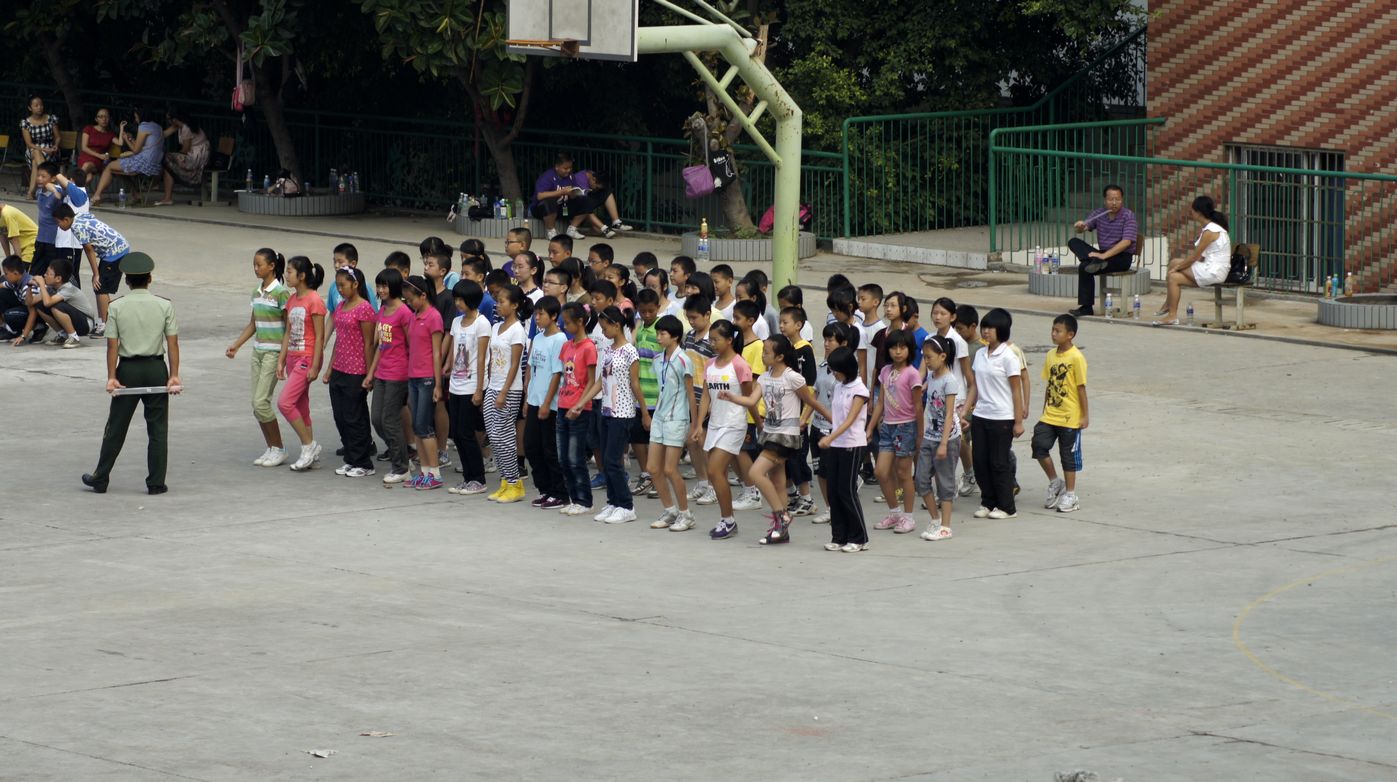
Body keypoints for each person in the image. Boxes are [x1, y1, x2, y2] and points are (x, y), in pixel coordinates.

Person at [81, 252, 180, 495]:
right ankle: (156, 483)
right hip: (156, 369)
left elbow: (112, 346)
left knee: (116, 426)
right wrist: (174, 375)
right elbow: (172, 344)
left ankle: (101, 478)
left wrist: (111, 377)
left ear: (126, 280)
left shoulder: (116, 307)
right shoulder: (164, 305)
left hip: (128, 370)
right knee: (158, 429)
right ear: (150, 279)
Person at [727, 335, 833, 546]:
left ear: (780, 356)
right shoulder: (764, 378)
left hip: (785, 436)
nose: (763, 355)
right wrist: (732, 397)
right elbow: (751, 400)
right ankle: (781, 530)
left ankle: (781, 516)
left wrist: (834, 422)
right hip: (769, 433)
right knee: (777, 481)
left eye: (767, 352)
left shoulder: (793, 377)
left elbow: (810, 401)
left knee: (755, 473)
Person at [577, 306, 646, 523]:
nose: (603, 332)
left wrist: (644, 412)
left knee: (613, 461)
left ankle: (626, 505)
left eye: (605, 328)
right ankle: (613, 502)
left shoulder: (630, 351)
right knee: (607, 461)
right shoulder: (607, 350)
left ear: (617, 325)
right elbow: (601, 381)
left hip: (622, 412)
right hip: (606, 410)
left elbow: (635, 384)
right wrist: (582, 402)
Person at [224, 248, 289, 466]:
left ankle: (279, 448)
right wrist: (236, 345)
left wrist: (282, 358)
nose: (255, 268)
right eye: (254, 264)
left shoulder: (281, 293)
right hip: (258, 351)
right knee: (256, 404)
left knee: (261, 402)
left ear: (272, 266)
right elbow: (253, 324)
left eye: (259, 265)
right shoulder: (256, 292)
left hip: (273, 352)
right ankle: (271, 447)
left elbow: (289, 328)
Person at [960, 307, 1023, 520]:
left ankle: (1007, 507)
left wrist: (1018, 421)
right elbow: (974, 386)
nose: (986, 331)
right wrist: (965, 410)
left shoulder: (1009, 357)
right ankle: (988, 502)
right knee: (980, 460)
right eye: (984, 327)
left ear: (1001, 330)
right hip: (981, 415)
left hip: (1002, 417)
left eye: (991, 328)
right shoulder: (980, 354)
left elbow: (1016, 391)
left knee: (999, 462)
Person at [696, 320, 753, 540]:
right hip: (715, 424)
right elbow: (706, 396)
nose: (712, 344)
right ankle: (727, 518)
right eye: (710, 340)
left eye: (716, 340)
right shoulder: (710, 364)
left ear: (729, 340)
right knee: (717, 473)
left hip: (734, 424)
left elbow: (749, 398)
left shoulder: (740, 365)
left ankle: (729, 520)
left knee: (714, 470)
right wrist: (699, 425)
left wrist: (755, 424)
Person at [867, 329, 923, 534]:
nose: (898, 351)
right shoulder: (885, 371)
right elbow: (881, 402)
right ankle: (894, 513)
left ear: (910, 350)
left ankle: (908, 517)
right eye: (893, 347)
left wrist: (920, 434)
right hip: (888, 426)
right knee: (881, 471)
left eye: (902, 347)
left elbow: (918, 406)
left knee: (903, 473)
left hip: (906, 426)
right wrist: (870, 427)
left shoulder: (912, 374)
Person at [323, 266, 377, 478]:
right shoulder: (341, 306)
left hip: (356, 371)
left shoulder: (364, 309)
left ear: (355, 284)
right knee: (340, 416)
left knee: (355, 417)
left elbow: (369, 343)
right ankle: (351, 458)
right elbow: (340, 339)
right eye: (337, 285)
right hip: (339, 368)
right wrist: (330, 368)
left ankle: (363, 462)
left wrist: (369, 373)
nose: (340, 289)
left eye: (343, 285)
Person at [646, 314, 698, 531]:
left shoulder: (684, 360)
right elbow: (662, 389)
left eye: (662, 334)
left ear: (675, 337)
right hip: (659, 417)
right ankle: (670, 510)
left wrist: (695, 425)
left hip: (677, 418)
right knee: (652, 468)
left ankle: (686, 514)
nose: (658, 337)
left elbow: (690, 394)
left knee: (670, 469)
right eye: (657, 333)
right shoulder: (658, 360)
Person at [275, 257, 328, 472]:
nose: (286, 275)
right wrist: (281, 360)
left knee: (285, 403)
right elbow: (288, 332)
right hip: (292, 357)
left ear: (302, 275)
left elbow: (320, 335)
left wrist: (315, 365)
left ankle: (308, 446)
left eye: (290, 272)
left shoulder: (314, 300)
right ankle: (310, 453)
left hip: (307, 358)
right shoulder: (292, 300)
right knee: (301, 404)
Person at [817, 347, 871, 552]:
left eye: (836, 370)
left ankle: (859, 537)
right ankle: (839, 536)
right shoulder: (839, 386)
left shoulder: (860, 390)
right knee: (833, 491)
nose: (834, 374)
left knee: (847, 491)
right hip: (836, 444)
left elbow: (850, 420)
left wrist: (830, 437)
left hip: (852, 443)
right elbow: (837, 417)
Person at [1034, 314, 1088, 513]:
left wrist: (1084, 415)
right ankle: (1055, 482)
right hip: (1050, 414)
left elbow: (1081, 388)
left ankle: (1071, 495)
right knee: (1039, 445)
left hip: (1069, 416)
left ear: (1070, 335)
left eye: (1058, 331)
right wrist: (1044, 409)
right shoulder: (1050, 355)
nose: (1053, 334)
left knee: (1068, 456)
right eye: (1053, 330)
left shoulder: (1076, 357)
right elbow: (1049, 385)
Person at [443, 279, 492, 495]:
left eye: (461, 300)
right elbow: (454, 350)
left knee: (466, 433)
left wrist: (479, 389)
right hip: (456, 384)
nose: (457, 303)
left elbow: (482, 358)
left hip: (472, 385)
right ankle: (467, 477)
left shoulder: (482, 324)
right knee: (457, 433)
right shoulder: (456, 322)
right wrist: (447, 366)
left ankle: (478, 478)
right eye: (456, 299)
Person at [366, 269, 414, 484]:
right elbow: (381, 346)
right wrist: (371, 373)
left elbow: (411, 344)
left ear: (394, 287)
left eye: (385, 286)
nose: (381, 290)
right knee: (377, 419)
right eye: (379, 286)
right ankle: (402, 454)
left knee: (390, 420)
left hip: (398, 373)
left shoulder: (404, 313)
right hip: (382, 372)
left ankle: (401, 467)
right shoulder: (383, 310)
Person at [484, 285, 531, 503]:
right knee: (493, 436)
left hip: (509, 390)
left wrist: (503, 391)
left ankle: (515, 483)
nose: (497, 305)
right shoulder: (496, 327)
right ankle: (505, 481)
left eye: (502, 301)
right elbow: (492, 359)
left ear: (514, 305)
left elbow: (515, 365)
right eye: (497, 301)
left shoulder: (517, 331)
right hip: (492, 386)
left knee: (504, 437)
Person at [1155, 196, 1233, 326]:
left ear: (1199, 212)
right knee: (1174, 274)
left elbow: (1194, 257)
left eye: (1192, 210)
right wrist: (1178, 268)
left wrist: (1178, 268)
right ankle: (1171, 312)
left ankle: (1169, 307)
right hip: (1212, 269)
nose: (1191, 212)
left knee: (1174, 267)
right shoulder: (1211, 228)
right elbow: (1200, 257)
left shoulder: (1210, 231)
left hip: (1214, 272)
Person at [53, 202, 128, 336]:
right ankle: (105, 321)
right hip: (115, 248)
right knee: (99, 288)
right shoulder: (78, 217)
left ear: (66, 219)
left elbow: (89, 250)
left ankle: (106, 325)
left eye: (58, 222)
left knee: (100, 287)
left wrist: (96, 274)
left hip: (115, 251)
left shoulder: (77, 227)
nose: (58, 226)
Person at [809, 322, 857, 525]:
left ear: (843, 343)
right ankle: (830, 508)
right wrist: (804, 419)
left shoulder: (848, 371)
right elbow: (815, 394)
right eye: (825, 339)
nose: (826, 344)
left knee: (833, 472)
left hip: (834, 428)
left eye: (831, 340)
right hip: (817, 425)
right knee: (820, 471)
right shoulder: (823, 366)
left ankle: (840, 509)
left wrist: (833, 422)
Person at [523, 296, 568, 508]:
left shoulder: (559, 340)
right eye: (535, 314)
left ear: (554, 316)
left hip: (550, 404)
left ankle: (559, 492)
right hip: (534, 400)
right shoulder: (538, 338)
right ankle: (545, 489)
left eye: (541, 314)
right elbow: (531, 368)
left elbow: (557, 374)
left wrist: (547, 403)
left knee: (549, 449)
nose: (537, 318)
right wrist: (528, 398)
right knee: (531, 446)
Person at [401, 275, 445, 489]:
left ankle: (435, 474)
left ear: (423, 296)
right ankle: (424, 471)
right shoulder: (414, 316)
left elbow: (436, 353)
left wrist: (438, 384)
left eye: (411, 299)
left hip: (427, 378)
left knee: (424, 425)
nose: (409, 303)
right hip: (413, 377)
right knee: (417, 426)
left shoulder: (434, 317)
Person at [1067, 185, 1138, 317]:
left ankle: (1086, 307)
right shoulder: (1099, 213)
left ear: (1122, 200)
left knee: (1084, 266)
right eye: (1111, 199)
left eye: (1118, 199)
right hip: (1102, 257)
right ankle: (1087, 308)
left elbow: (1126, 242)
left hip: (1121, 257)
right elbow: (1083, 228)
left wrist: (1103, 255)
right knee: (1073, 242)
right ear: (1105, 200)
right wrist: (1079, 227)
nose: (1114, 203)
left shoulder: (1128, 216)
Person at [916, 336, 962, 541]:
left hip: (947, 438)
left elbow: (950, 414)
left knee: (945, 483)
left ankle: (946, 526)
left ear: (942, 356)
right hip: (930, 435)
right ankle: (935, 519)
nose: (926, 361)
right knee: (921, 479)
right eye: (924, 357)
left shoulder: (949, 381)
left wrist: (943, 443)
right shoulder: (932, 376)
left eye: (929, 357)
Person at [557, 302, 598, 515]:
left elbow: (591, 380)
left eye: (568, 323)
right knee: (563, 458)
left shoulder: (589, 347)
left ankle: (584, 500)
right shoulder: (567, 346)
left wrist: (580, 404)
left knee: (575, 457)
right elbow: (564, 376)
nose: (565, 326)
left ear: (580, 321)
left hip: (579, 409)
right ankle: (573, 498)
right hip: (563, 405)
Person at [681, 295, 718, 505]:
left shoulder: (713, 340)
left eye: (695, 317)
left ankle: (713, 485)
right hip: (690, 397)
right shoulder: (689, 337)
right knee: (691, 441)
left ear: (707, 315)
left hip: (708, 398)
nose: (692, 321)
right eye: (689, 318)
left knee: (703, 441)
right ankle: (702, 482)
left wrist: (711, 400)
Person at [13, 258, 95, 347]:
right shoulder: (51, 288)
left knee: (56, 306)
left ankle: (74, 337)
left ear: (58, 278)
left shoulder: (68, 288)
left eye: (48, 273)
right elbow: (30, 303)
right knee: (39, 305)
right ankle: (62, 335)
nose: (44, 275)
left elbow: (48, 303)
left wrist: (41, 284)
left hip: (86, 324)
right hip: (76, 321)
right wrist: (29, 286)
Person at [92, 109, 164, 205]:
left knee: (109, 166)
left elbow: (136, 150)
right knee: (119, 170)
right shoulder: (157, 127)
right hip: (155, 164)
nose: (136, 119)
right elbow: (142, 147)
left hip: (143, 163)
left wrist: (126, 138)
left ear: (140, 116)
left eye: (136, 116)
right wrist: (131, 139)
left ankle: (97, 195)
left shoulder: (144, 126)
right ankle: (136, 195)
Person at [34, 164, 91, 277]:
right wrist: (48, 182)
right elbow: (50, 186)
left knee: (70, 277)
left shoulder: (79, 194)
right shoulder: (68, 192)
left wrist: (56, 175)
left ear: (71, 180)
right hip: (61, 243)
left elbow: (61, 185)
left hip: (72, 244)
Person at [155, 109, 209, 205]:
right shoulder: (179, 125)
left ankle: (166, 196)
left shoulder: (186, 128)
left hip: (197, 157)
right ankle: (167, 198)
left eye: (169, 119)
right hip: (194, 154)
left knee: (167, 159)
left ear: (175, 119)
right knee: (168, 165)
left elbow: (185, 149)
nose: (168, 122)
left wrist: (175, 158)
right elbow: (164, 134)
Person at [530, 153, 589, 240]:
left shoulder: (571, 176)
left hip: (562, 207)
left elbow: (573, 196)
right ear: (557, 167)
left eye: (570, 168)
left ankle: (572, 229)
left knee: (585, 201)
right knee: (550, 201)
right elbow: (540, 196)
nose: (568, 170)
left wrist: (574, 193)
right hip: (541, 209)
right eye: (565, 168)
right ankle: (551, 231)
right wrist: (561, 192)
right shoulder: (548, 176)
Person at [20, 96, 59, 200]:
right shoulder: (26, 122)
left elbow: (58, 137)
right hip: (33, 149)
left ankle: (31, 192)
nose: (39, 107)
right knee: (36, 152)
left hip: (50, 149)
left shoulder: (51, 119)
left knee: (35, 163)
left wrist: (55, 146)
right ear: (30, 108)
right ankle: (49, 178)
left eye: (41, 105)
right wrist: (44, 150)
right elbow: (29, 144)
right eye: (36, 105)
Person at [77, 108, 121, 186]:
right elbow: (84, 147)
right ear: (96, 119)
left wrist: (122, 129)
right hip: (86, 157)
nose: (104, 119)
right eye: (101, 117)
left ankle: (71, 187)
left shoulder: (110, 134)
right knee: (88, 178)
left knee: (87, 167)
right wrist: (99, 155)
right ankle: (74, 188)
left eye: (106, 117)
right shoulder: (88, 129)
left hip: (98, 161)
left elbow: (120, 143)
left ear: (109, 119)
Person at [0, 201, 38, 265]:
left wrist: (18, 263)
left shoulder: (7, 214)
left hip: (32, 244)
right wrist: (8, 259)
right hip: (22, 246)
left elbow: (15, 240)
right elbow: (2, 236)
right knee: (10, 267)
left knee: (20, 268)